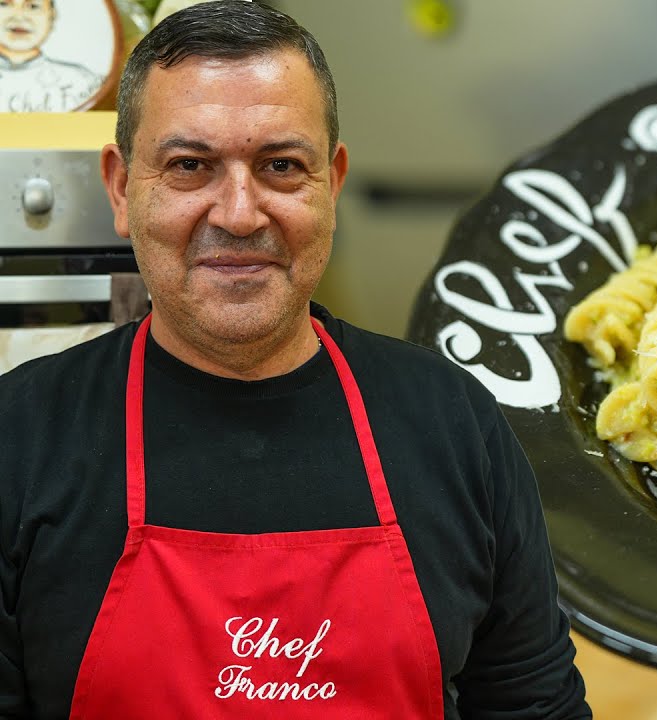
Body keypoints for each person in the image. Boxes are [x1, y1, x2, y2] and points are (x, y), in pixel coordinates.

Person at [0, 2, 591, 717]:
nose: (239, 214)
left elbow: (534, 706)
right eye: (190, 167)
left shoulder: (453, 423)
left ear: (331, 184)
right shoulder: (18, 437)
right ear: (123, 189)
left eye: (281, 166)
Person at [0, 0, 105, 112]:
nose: (19, 17)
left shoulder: (83, 82)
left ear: (52, 16)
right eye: (4, 4)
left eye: (33, 6)